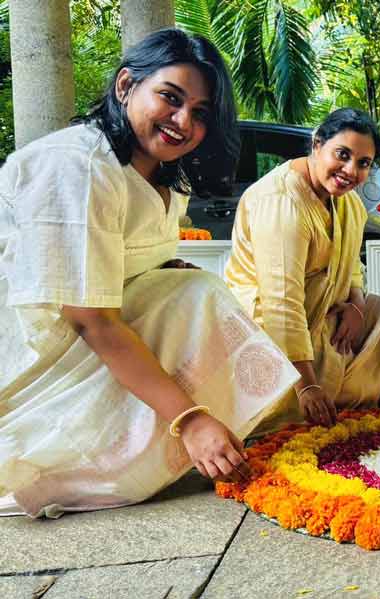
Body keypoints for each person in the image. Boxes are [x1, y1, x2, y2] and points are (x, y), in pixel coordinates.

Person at [0, 29, 299, 518]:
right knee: (193, 295)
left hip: (92, 328)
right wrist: (190, 419)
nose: (183, 121)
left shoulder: (161, 178)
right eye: (170, 97)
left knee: (194, 288)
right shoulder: (77, 165)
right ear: (125, 86)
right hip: (32, 351)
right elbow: (89, 319)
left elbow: (130, 259)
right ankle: (155, 447)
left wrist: (163, 272)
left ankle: (187, 443)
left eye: (200, 113)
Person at [225, 108, 380, 432]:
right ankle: (305, 396)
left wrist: (357, 307)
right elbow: (281, 303)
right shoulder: (281, 202)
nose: (351, 170)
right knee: (295, 391)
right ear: (317, 144)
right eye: (343, 154)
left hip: (322, 313)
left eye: (363, 164)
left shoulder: (348, 204)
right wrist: (305, 385)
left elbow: (352, 268)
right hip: (267, 325)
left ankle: (340, 401)